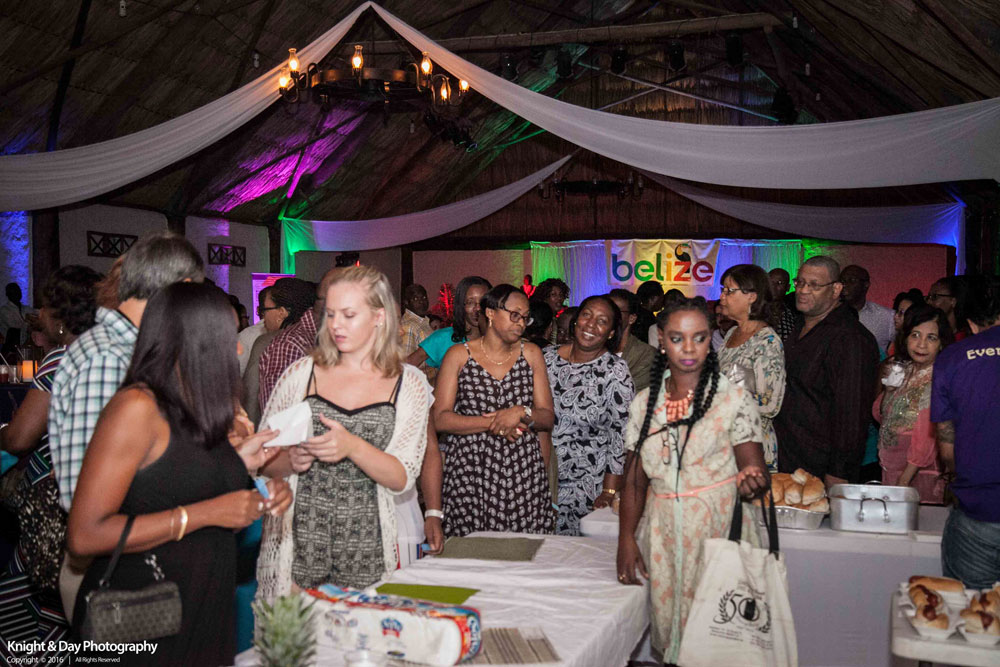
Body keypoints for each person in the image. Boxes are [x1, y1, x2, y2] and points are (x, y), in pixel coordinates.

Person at [66, 283, 291, 666]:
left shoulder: (198, 405)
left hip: (204, 598)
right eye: (226, 338)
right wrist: (205, 514)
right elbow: (84, 535)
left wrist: (253, 481)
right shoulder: (137, 407)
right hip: (146, 608)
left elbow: (181, 485)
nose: (238, 349)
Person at [257, 266, 432, 600]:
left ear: (379, 317)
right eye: (331, 314)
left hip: (368, 548)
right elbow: (263, 458)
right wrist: (291, 459)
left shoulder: (407, 383)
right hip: (299, 546)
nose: (336, 325)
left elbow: (401, 478)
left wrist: (352, 446)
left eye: (349, 315)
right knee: (295, 631)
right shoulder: (302, 374)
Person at [616, 297, 769, 664]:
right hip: (663, 534)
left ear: (709, 341)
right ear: (661, 341)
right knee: (673, 639)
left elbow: (754, 468)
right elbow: (634, 481)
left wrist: (752, 479)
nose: (688, 348)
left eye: (698, 338)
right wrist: (625, 538)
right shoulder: (644, 404)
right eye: (677, 338)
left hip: (719, 531)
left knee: (719, 639)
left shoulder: (732, 399)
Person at [0, 265, 101, 657]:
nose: (37, 313)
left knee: (33, 602)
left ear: (59, 312)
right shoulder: (104, 352)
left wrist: (2, 432)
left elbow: (21, 437)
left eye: (43, 305)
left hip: (55, 497)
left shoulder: (62, 358)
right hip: (92, 492)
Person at [433, 284, 554, 537]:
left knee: (524, 548)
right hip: (471, 468)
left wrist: (521, 412)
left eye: (525, 317)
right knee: (472, 550)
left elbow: (547, 417)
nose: (521, 323)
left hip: (522, 468)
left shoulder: (531, 353)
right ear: (490, 313)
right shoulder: (459, 355)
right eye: (514, 315)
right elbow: (441, 419)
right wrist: (496, 422)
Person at [774, 256, 879, 486]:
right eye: (800, 282)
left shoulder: (850, 338)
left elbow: (852, 412)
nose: (803, 290)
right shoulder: (800, 326)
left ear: (836, 289)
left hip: (821, 467)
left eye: (814, 285)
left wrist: (839, 471)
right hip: (789, 458)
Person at [545, 295, 634, 535]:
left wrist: (609, 491)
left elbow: (620, 436)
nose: (591, 325)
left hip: (586, 484)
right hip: (541, 476)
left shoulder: (615, 372)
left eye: (602, 321)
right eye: (586, 315)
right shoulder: (546, 359)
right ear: (576, 320)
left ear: (611, 333)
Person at [932, 275, 1000, 589]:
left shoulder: (952, 358)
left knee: (974, 609)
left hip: (978, 511)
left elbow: (948, 451)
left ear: (971, 324)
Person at [873, 304, 953, 503]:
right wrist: (888, 392)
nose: (921, 345)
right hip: (892, 472)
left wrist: (904, 480)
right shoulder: (904, 369)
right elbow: (882, 417)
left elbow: (927, 437)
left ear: (941, 343)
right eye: (915, 335)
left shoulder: (939, 378)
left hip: (917, 477)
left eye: (931, 338)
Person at [716, 264, 786, 470]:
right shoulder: (731, 333)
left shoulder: (766, 341)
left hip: (751, 446)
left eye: (729, 291)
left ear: (752, 297)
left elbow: (771, 404)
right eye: (723, 290)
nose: (722, 297)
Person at [258, 275, 334, 413]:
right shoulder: (287, 345)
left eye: (264, 311)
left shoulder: (325, 335)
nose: (263, 317)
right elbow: (279, 415)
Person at [243, 278, 316, 422]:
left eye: (264, 310)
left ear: (281, 313)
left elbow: (272, 409)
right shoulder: (319, 334)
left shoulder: (283, 344)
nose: (263, 317)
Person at [407, 276, 492, 371]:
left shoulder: (497, 340)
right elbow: (404, 368)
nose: (478, 308)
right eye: (470, 302)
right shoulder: (444, 337)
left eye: (482, 302)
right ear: (461, 304)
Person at [609, 289, 656, 393]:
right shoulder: (594, 348)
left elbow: (636, 394)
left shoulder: (645, 354)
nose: (609, 315)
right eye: (606, 309)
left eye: (616, 311)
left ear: (631, 318)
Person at [841, 264, 895, 352]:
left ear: (866, 285)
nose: (845, 285)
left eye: (852, 280)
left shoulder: (887, 317)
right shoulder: (828, 314)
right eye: (842, 281)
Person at [0, 281, 36, 356]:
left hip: (27, 346)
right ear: (8, 295)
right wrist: (28, 321)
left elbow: (37, 313)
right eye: (14, 292)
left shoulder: (26, 308)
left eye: (18, 291)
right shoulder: (4, 311)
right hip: (12, 348)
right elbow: (15, 326)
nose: (17, 294)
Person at [531, 278, 570, 345]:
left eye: (561, 295)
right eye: (553, 295)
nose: (559, 298)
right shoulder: (540, 321)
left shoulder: (555, 320)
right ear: (545, 297)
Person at [769, 267, 801, 343]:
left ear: (788, 287)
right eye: (770, 282)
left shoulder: (794, 313)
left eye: (779, 283)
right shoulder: (754, 311)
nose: (773, 287)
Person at [399, 284, 432, 357]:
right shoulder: (409, 326)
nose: (421, 302)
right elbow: (406, 361)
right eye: (416, 299)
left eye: (424, 297)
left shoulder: (423, 322)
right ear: (406, 302)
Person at [634, 281, 663, 346]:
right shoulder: (648, 319)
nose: (662, 301)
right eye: (661, 297)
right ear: (654, 298)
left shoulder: (636, 314)